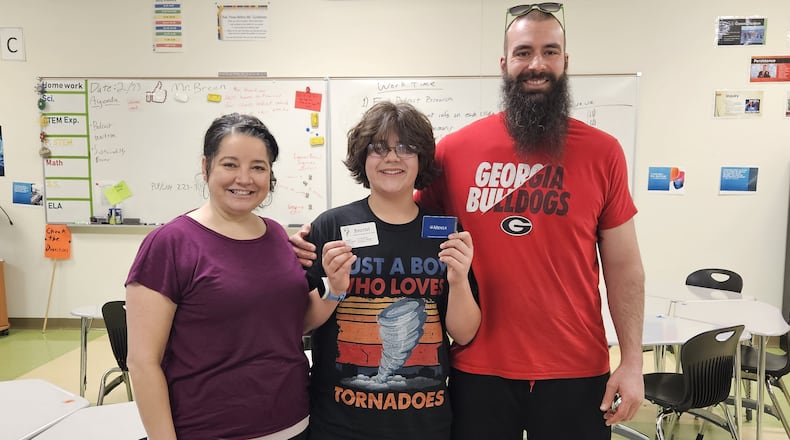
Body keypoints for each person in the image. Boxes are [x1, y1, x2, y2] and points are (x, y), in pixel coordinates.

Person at [289, 4, 645, 439]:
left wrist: (631, 361)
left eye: (550, 51)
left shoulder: (603, 152)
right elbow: (394, 215)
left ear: (566, 62)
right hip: (477, 369)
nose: (536, 64)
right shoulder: (456, 152)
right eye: (523, 52)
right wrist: (312, 234)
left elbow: (624, 267)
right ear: (504, 64)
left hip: (575, 367)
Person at [126, 113, 313, 440]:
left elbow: (289, 325)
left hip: (296, 421)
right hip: (209, 428)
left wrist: (335, 288)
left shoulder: (278, 235)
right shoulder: (171, 243)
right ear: (206, 166)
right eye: (230, 164)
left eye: (258, 167)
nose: (245, 178)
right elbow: (143, 362)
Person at [301, 101, 481, 440]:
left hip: (424, 425)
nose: (392, 158)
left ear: (422, 158)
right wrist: (334, 288)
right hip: (339, 424)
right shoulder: (331, 225)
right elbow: (301, 322)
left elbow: (466, 333)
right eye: (378, 148)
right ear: (362, 157)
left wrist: (458, 282)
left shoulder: (444, 230)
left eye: (405, 148)